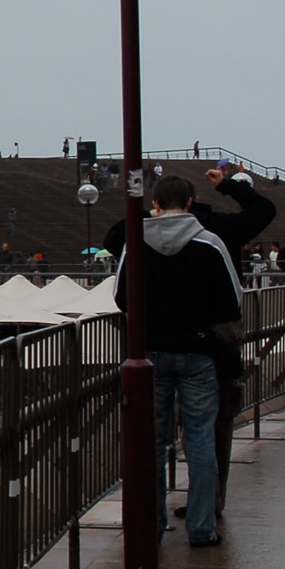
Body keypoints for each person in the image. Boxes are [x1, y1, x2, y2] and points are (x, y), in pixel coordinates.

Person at [112, 174, 241, 547]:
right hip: (199, 353)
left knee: (151, 441)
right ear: (190, 202)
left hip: (151, 352)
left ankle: (151, 524)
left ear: (155, 204)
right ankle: (201, 527)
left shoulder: (136, 243)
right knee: (199, 439)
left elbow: (122, 297)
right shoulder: (210, 244)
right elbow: (232, 300)